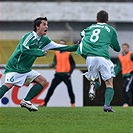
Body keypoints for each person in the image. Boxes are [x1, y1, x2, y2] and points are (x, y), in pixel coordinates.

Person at [0, 17, 78, 112]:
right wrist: (39, 52)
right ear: (37, 27)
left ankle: (26, 101)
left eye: (47, 24)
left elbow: (61, 47)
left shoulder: (44, 40)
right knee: (8, 85)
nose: (47, 26)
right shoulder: (29, 37)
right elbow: (24, 49)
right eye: (44, 24)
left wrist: (76, 47)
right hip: (15, 66)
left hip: (26, 69)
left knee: (43, 81)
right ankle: (26, 101)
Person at [76, 10, 120, 112]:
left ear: (96, 19)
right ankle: (107, 105)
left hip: (90, 58)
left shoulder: (89, 28)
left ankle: (93, 87)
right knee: (109, 83)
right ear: (107, 20)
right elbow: (117, 48)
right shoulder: (110, 29)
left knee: (97, 81)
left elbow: (82, 34)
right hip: (102, 57)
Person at [39, 39, 76, 107]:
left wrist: (70, 72)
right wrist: (52, 65)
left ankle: (73, 103)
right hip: (58, 74)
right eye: (60, 43)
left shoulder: (68, 53)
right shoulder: (56, 53)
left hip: (66, 74)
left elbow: (73, 64)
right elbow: (55, 62)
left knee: (70, 89)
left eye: (63, 44)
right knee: (51, 89)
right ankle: (45, 103)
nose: (61, 45)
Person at [114, 43, 133, 107]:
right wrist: (114, 74)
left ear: (128, 48)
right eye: (123, 47)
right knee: (129, 88)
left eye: (125, 47)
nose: (124, 49)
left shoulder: (131, 55)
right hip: (125, 75)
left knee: (126, 88)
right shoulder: (120, 56)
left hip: (131, 74)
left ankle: (126, 102)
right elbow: (118, 66)